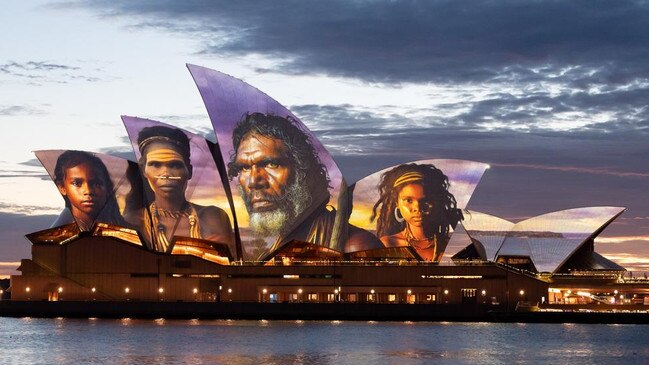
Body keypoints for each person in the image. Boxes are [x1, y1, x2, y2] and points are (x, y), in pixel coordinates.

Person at [227, 112, 382, 257]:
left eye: (271, 164)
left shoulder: (357, 246)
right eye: (244, 167)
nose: (253, 181)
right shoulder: (274, 251)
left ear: (303, 170)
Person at [127, 125, 233, 253]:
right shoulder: (134, 222)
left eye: (174, 165)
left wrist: (229, 250)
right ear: (144, 171)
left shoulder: (214, 217)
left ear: (189, 171)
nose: (165, 173)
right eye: (155, 164)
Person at [371, 163, 463, 261]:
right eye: (409, 200)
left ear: (436, 202)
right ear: (397, 203)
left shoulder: (450, 246)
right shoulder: (387, 245)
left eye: (426, 201)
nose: (417, 208)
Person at [52, 150, 125, 231]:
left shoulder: (126, 230)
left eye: (96, 184)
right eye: (77, 183)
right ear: (62, 187)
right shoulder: (57, 233)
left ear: (107, 188)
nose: (88, 191)